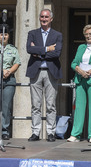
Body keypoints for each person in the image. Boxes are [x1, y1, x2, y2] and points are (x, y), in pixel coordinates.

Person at [26, 9, 63, 142]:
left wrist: (38, 52)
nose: (44, 19)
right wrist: (47, 49)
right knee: (35, 104)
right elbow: (29, 49)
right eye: (42, 16)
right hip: (35, 71)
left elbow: (57, 53)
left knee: (50, 105)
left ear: (51, 19)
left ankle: (50, 132)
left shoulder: (57, 35)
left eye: (46, 17)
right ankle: (35, 132)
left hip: (51, 72)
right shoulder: (32, 33)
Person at [67, 25, 91, 143]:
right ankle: (75, 134)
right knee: (79, 107)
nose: (88, 36)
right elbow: (74, 62)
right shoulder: (81, 47)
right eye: (86, 34)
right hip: (80, 79)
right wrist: (79, 70)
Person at [0, 24, 20, 140]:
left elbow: (17, 62)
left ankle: (5, 130)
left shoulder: (13, 49)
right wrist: (2, 71)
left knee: (7, 107)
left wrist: (9, 72)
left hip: (9, 79)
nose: (4, 37)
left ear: (8, 36)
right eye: (1, 34)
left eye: (6, 34)